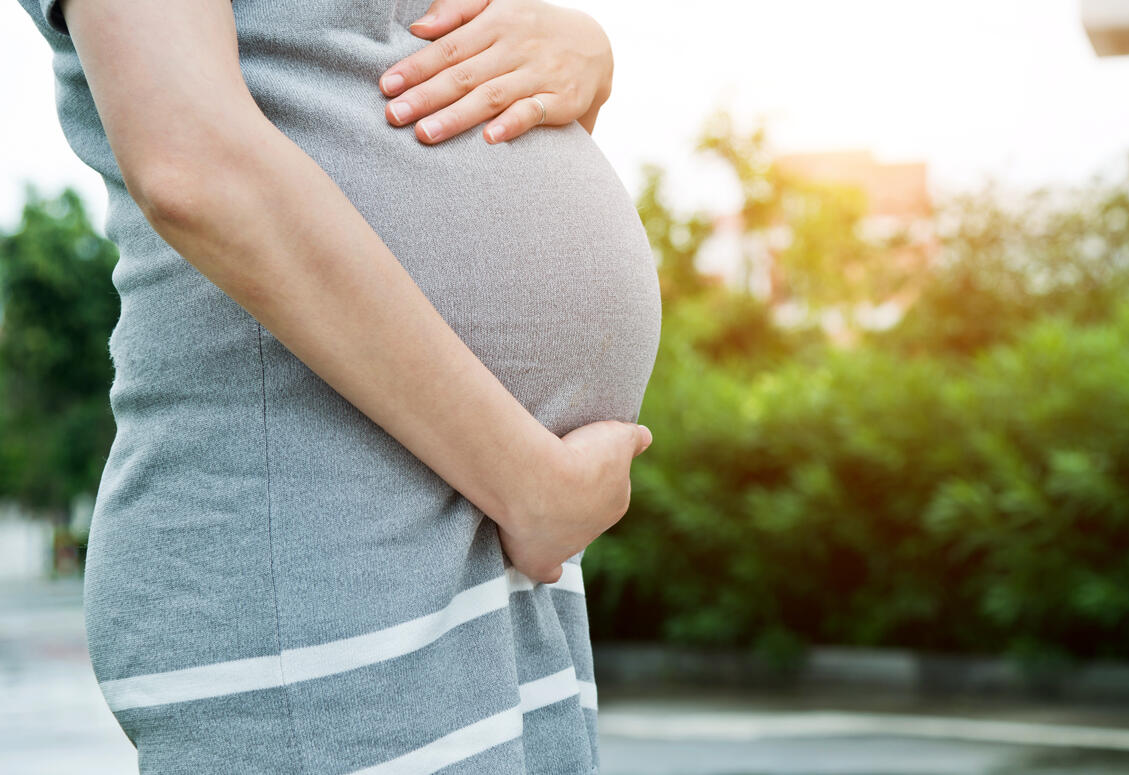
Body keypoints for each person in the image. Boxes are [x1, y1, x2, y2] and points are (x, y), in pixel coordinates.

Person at [14, 0, 662, 772]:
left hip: (478, 536)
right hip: (317, 554)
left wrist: (578, 54)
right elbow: (192, 162)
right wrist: (532, 485)